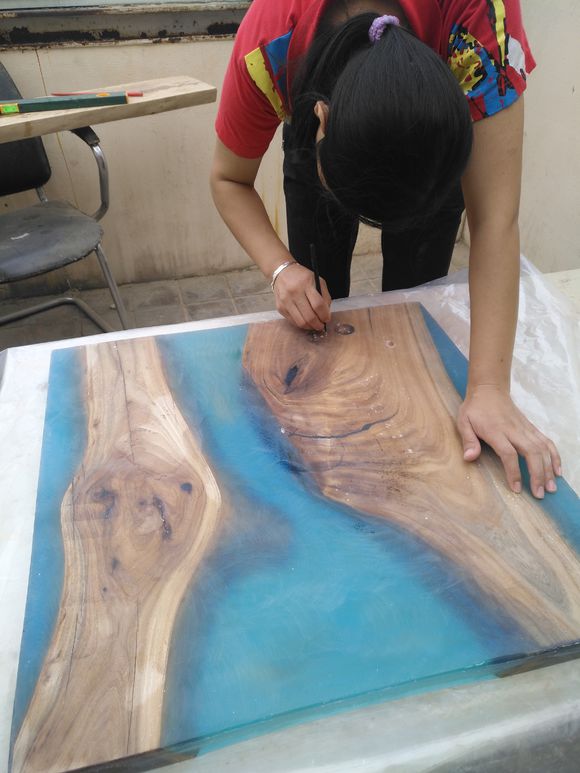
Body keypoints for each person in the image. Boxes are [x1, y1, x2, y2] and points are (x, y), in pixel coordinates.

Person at [210, 0, 561, 499]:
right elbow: (228, 179)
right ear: (321, 118)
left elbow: (494, 220)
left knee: (415, 307)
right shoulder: (270, 48)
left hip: (432, 107)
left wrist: (488, 389)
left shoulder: (481, 24)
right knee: (316, 305)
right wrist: (280, 268)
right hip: (321, 94)